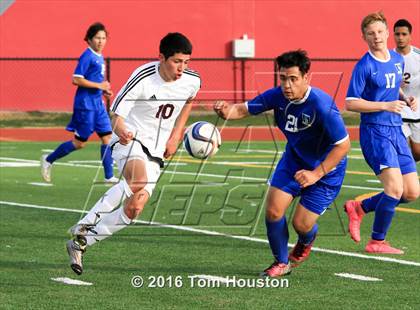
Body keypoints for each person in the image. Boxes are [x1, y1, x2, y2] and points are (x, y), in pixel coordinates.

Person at [66, 32, 201, 275]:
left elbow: (189, 100)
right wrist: (123, 130)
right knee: (136, 180)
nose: (182, 68)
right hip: (130, 138)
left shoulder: (192, 80)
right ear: (161, 57)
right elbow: (116, 116)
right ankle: (84, 225)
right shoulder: (143, 77)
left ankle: (80, 243)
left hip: (158, 150)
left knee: (134, 208)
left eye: (186, 62)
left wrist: (176, 135)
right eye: (176, 62)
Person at [214, 50, 350, 277]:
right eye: (283, 78)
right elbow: (243, 109)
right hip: (294, 161)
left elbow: (343, 146)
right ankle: (281, 262)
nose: (287, 85)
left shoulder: (322, 105)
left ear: (307, 77)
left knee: (302, 224)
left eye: (293, 79)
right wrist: (226, 110)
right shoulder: (277, 96)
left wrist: (316, 174)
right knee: (274, 210)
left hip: (327, 170)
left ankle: (306, 241)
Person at [344, 12, 419, 254]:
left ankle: (360, 207)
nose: (376, 37)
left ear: (387, 33)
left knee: (410, 192)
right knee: (394, 190)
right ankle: (376, 241)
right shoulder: (364, 66)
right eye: (370, 33)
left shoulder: (397, 59)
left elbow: (393, 85)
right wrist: (384, 106)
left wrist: (404, 98)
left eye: (379, 32)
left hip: (396, 129)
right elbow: (351, 103)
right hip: (375, 133)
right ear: (363, 37)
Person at [41, 22, 118, 183]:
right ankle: (48, 159)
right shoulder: (87, 55)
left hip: (98, 104)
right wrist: (99, 85)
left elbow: (93, 79)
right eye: (97, 38)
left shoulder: (99, 56)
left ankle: (109, 176)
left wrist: (103, 90)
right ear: (89, 39)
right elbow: (76, 79)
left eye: (104, 38)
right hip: (85, 105)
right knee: (79, 143)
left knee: (107, 137)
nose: (101, 41)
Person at [393, 19, 420, 162]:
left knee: (417, 153)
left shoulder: (418, 56)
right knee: (402, 150)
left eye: (404, 34)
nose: (400, 38)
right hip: (397, 110)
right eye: (397, 34)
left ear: (410, 35)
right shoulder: (388, 57)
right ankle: (404, 180)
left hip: (417, 109)